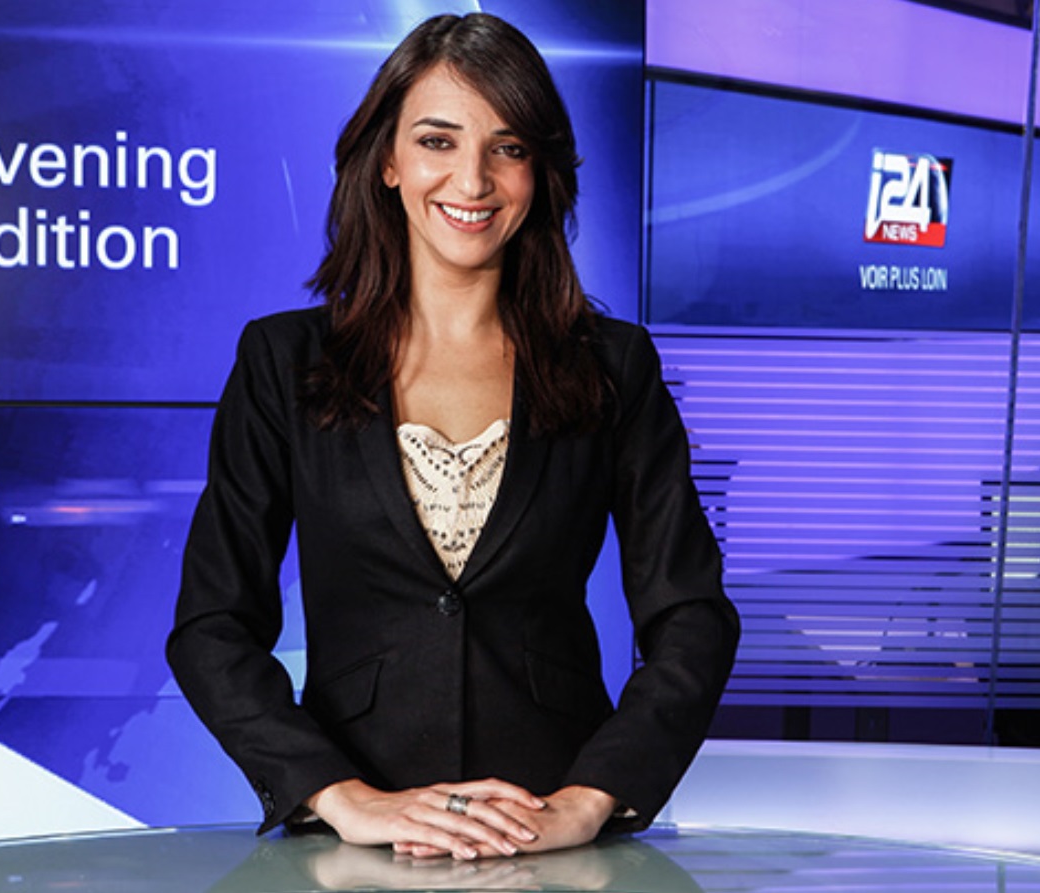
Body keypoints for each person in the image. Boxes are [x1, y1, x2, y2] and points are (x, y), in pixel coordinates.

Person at [167, 12, 739, 862]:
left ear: (540, 172)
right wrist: (343, 797)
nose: (471, 180)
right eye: (437, 140)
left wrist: (592, 799)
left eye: (507, 148)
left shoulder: (614, 364)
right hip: (352, 848)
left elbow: (691, 615)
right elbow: (211, 624)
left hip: (555, 844)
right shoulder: (281, 360)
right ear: (387, 162)